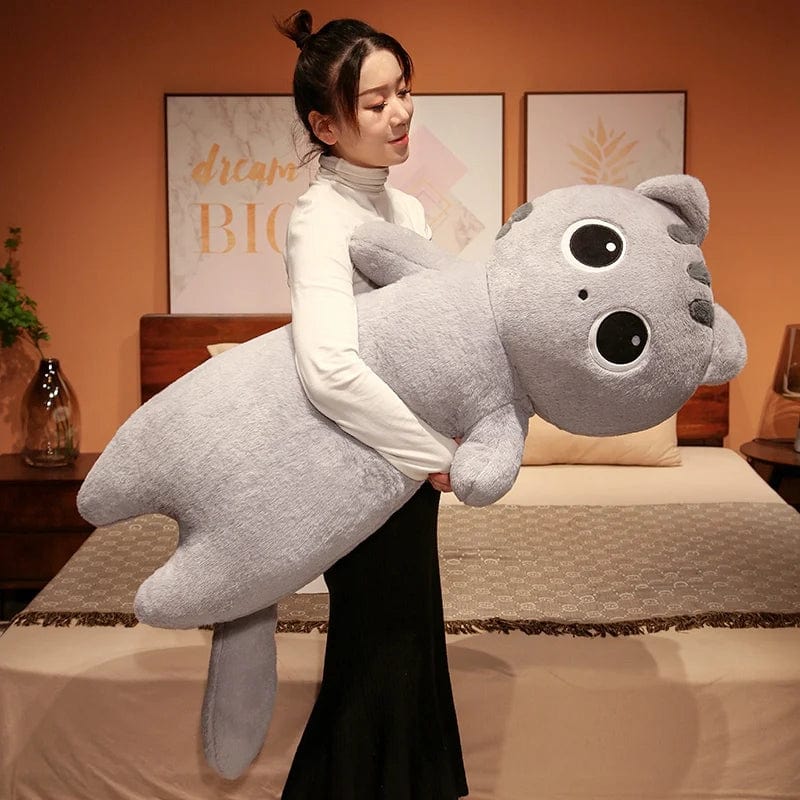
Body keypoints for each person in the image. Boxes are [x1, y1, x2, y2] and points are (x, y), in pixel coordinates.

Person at [276, 9, 468, 800]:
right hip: (359, 467)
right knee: (375, 656)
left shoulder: (406, 211)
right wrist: (434, 455)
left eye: (404, 91)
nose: (400, 112)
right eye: (376, 101)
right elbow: (327, 369)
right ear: (324, 125)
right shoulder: (319, 219)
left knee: (410, 645)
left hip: (407, 474)